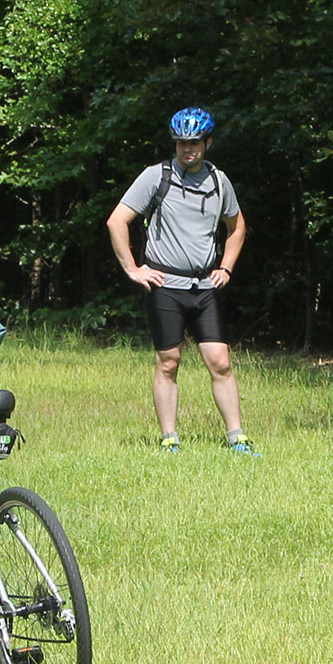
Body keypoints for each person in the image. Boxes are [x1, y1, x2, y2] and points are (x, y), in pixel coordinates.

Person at [106, 108, 254, 455]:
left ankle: (237, 438)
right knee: (169, 360)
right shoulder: (155, 176)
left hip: (204, 287)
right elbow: (117, 221)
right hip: (166, 286)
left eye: (194, 143)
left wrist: (226, 268)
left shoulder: (219, 181)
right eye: (181, 143)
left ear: (208, 143)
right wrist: (133, 269)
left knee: (220, 361)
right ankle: (169, 438)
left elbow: (237, 227)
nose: (188, 150)